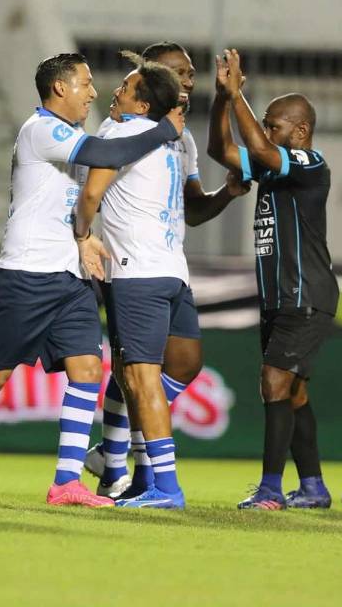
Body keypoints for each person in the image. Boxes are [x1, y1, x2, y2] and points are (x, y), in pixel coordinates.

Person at [0, 53, 185, 507]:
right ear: (61, 88)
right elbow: (107, 155)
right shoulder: (41, 130)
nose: (93, 92)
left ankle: (66, 481)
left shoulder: (72, 135)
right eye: (85, 84)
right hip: (27, 272)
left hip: (70, 274)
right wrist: (166, 128)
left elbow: (74, 199)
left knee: (87, 370)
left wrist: (83, 240)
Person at [85, 42, 248, 499]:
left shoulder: (182, 139)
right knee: (139, 375)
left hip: (171, 268)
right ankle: (139, 471)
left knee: (175, 367)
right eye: (178, 73)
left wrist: (228, 194)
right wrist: (81, 234)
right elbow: (91, 190)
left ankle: (125, 456)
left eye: (191, 73)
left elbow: (192, 209)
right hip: (134, 268)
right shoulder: (121, 131)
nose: (188, 81)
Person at [206, 50, 340, 510]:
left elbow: (260, 149)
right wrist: (223, 100)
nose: (265, 133)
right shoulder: (271, 166)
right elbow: (220, 151)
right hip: (280, 297)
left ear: (300, 131)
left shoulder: (309, 162)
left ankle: (269, 490)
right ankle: (314, 487)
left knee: (273, 380)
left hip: (305, 293)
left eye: (274, 125)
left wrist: (238, 93)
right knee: (294, 391)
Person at [74, 57, 190, 509]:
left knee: (142, 380)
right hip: (174, 271)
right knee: (144, 377)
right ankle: (128, 468)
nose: (114, 91)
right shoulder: (172, 145)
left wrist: (82, 232)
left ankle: (165, 486)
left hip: (135, 272)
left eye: (125, 86)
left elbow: (90, 193)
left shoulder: (120, 133)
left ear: (141, 104)